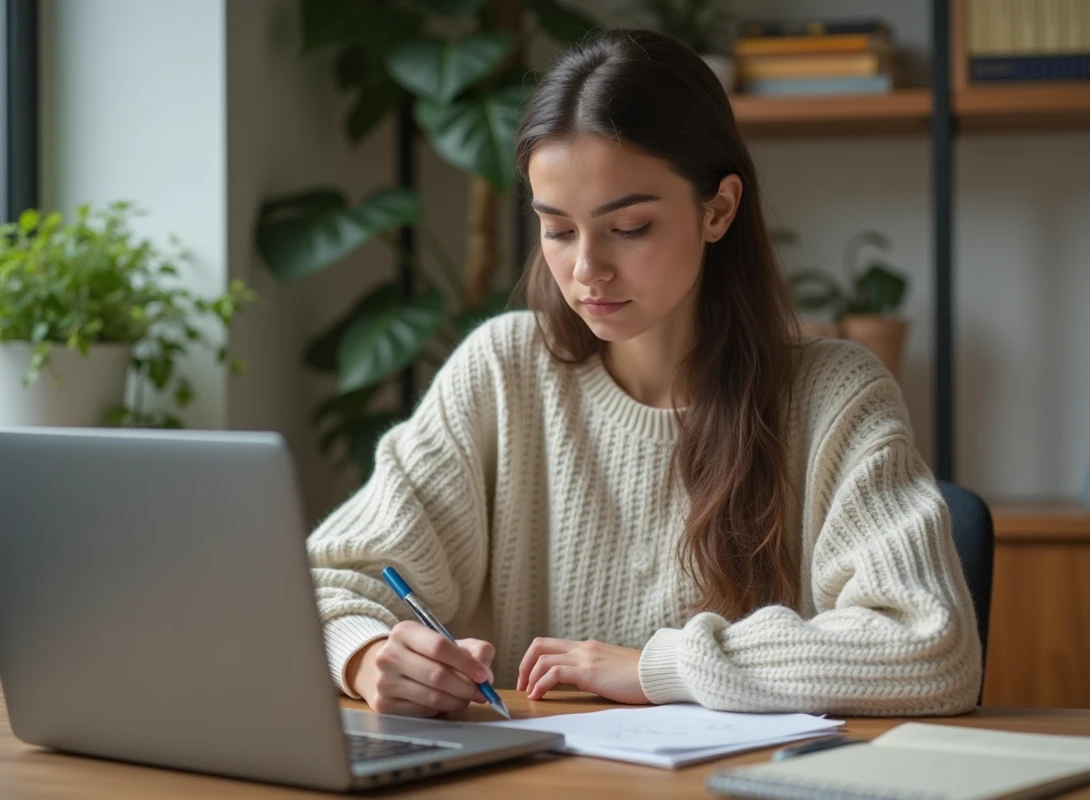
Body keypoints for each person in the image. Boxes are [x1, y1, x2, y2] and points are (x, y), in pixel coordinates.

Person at [307, 29, 982, 719]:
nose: (586, 269)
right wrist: (367, 656)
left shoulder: (834, 395)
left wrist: (662, 666)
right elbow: (321, 585)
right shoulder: (502, 371)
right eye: (558, 229)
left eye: (628, 228)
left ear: (718, 210)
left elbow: (931, 648)